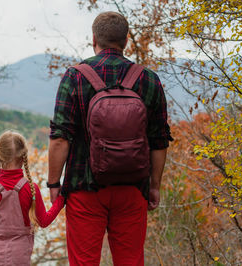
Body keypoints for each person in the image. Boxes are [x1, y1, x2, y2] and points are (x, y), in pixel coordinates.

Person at [47, 11, 173, 265]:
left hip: (85, 189)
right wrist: (154, 185)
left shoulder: (75, 76)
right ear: (125, 41)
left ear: (94, 39)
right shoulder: (148, 80)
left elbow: (60, 138)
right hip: (132, 189)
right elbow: (159, 140)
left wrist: (53, 184)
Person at [0, 130, 65, 266]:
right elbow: (44, 221)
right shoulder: (30, 189)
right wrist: (61, 200)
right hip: (19, 257)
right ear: (24, 156)